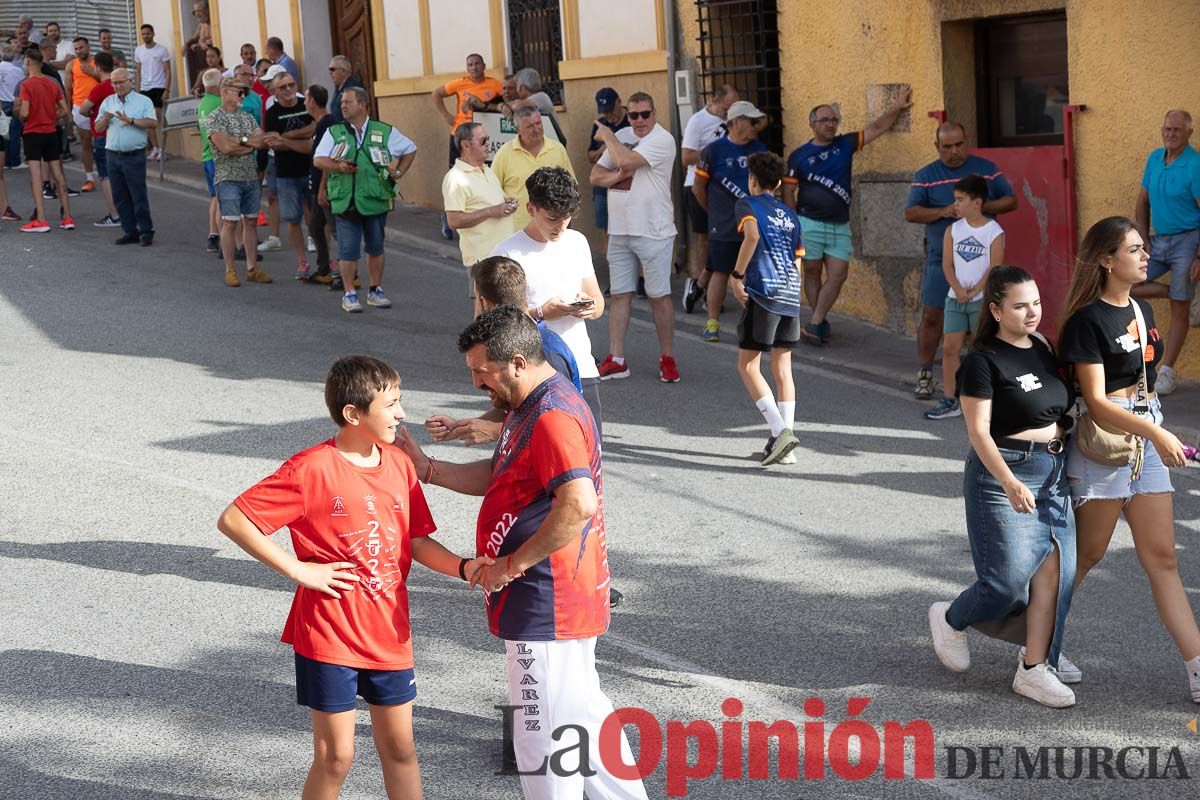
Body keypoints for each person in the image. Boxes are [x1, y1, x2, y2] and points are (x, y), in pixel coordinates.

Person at [397, 307, 649, 800]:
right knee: (586, 731)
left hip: (546, 604)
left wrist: (513, 565)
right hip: (556, 602)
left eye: (481, 371)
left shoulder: (551, 416)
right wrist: (428, 468)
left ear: (516, 362)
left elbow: (577, 503)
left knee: (541, 746)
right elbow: (501, 475)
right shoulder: (528, 404)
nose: (475, 383)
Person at [218, 355, 490, 800]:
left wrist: (463, 568)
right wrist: (297, 569)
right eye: (392, 404)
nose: (402, 414)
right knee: (336, 756)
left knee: (401, 750)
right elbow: (235, 519)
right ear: (353, 414)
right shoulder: (309, 469)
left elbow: (416, 540)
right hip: (329, 635)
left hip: (389, 634)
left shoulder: (400, 465)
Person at [1059, 215, 1200, 704]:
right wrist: (1158, 434)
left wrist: (1158, 431)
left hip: (1145, 432)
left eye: (1144, 248)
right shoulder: (1085, 321)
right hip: (1106, 442)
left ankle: (1198, 666)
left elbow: (1143, 386)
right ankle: (1038, 650)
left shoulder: (1141, 310)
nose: (1145, 256)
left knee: (1162, 558)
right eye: (1135, 249)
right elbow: (1096, 401)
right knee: (1084, 555)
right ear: (1106, 260)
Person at [928, 265, 1078, 708]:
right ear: (995, 310)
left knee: (1057, 575)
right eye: (1019, 305)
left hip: (1053, 473)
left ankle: (1034, 669)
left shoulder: (1043, 345)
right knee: (1007, 582)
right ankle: (952, 617)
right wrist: (1009, 480)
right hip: (1003, 474)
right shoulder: (981, 361)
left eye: (1035, 302)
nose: (1032, 312)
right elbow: (978, 432)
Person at [783, 87, 912, 345]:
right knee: (811, 271)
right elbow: (788, 191)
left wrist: (897, 108)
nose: (831, 125)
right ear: (812, 125)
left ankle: (816, 320)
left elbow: (876, 128)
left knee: (839, 274)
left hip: (840, 224)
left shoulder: (845, 144)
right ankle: (818, 321)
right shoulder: (799, 156)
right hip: (809, 222)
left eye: (834, 120)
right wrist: (794, 223)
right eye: (825, 120)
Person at [905, 121, 1017, 400]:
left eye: (959, 144)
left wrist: (978, 208)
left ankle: (984, 379)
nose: (955, 151)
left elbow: (1011, 200)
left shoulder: (987, 170)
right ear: (937, 147)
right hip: (940, 259)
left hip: (981, 262)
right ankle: (925, 373)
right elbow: (911, 213)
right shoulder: (926, 175)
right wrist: (945, 211)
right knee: (932, 315)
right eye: (947, 146)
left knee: (985, 320)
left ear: (966, 141)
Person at [491, 167, 606, 432]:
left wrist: (588, 307)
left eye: (567, 218)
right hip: (534, 373)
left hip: (581, 366)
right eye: (552, 218)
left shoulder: (577, 242)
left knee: (590, 452)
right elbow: (495, 325)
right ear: (531, 209)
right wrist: (542, 312)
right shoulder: (508, 253)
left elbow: (598, 301)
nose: (560, 226)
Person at [424, 255, 583, 446]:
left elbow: (559, 423)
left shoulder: (545, 351)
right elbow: (514, 407)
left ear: (485, 303)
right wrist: (462, 427)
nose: (476, 382)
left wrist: (495, 431)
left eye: (475, 299)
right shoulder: (520, 341)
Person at [590, 91, 680, 383]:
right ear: (627, 114)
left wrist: (607, 136)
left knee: (659, 297)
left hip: (653, 231)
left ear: (655, 114)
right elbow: (595, 175)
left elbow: (625, 160)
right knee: (619, 295)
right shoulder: (622, 135)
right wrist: (616, 175)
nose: (639, 121)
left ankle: (667, 357)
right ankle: (617, 358)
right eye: (634, 115)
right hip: (620, 230)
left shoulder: (662, 139)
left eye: (645, 114)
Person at [727, 152, 805, 466]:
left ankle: (779, 430)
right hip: (790, 293)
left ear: (753, 180)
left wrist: (737, 276)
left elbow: (753, 235)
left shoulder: (747, 204)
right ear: (777, 182)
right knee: (783, 369)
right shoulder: (790, 214)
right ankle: (785, 442)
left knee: (747, 366)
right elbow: (799, 257)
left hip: (764, 290)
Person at [313, 86, 417, 313]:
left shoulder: (384, 131)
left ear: (362, 104)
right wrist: (338, 166)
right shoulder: (335, 132)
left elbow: (410, 148)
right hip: (345, 199)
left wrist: (398, 173)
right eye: (341, 103)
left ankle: (375, 290)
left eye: (347, 102)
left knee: (376, 248)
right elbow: (319, 160)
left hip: (375, 198)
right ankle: (349, 293)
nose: (342, 106)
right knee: (347, 249)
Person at [1131, 110, 1200, 397]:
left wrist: (1199, 256)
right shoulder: (1155, 158)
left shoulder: (1195, 165)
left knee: (1179, 308)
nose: (1171, 134)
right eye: (1167, 129)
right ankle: (1181, 291)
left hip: (1188, 240)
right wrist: (1141, 237)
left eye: (1177, 130)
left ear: (1189, 133)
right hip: (1158, 242)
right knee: (1125, 284)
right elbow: (1142, 201)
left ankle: (1167, 372)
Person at [925, 175, 1005, 420]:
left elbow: (995, 267)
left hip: (981, 300)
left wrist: (976, 289)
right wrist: (958, 289)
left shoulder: (994, 232)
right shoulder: (953, 229)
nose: (955, 205)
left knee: (981, 349)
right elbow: (947, 264)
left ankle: (986, 400)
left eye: (960, 200)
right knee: (950, 349)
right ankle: (951, 398)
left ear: (977, 202)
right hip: (955, 299)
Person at [692, 100, 768, 342]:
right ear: (735, 122)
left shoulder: (760, 149)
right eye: (750, 120)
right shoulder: (713, 151)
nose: (756, 125)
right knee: (721, 272)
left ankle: (751, 323)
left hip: (753, 224)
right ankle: (712, 323)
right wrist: (714, 212)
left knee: (751, 272)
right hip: (723, 225)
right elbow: (698, 188)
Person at [207, 76, 272, 286]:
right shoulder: (214, 118)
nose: (243, 96)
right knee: (230, 222)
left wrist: (240, 142)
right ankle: (230, 269)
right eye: (239, 92)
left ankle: (252, 268)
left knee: (251, 222)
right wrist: (247, 142)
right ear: (225, 92)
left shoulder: (247, 118)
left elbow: (261, 141)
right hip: (228, 178)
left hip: (250, 176)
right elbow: (225, 148)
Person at [680, 84, 738, 313]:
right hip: (698, 185)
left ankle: (703, 285)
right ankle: (704, 290)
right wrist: (717, 153)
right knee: (706, 238)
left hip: (724, 188)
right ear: (715, 101)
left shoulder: (735, 121)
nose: (729, 113)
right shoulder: (698, 121)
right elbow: (686, 156)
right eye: (727, 107)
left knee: (724, 237)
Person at [442, 122, 517, 273]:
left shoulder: (487, 170)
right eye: (483, 141)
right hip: (483, 260)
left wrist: (507, 203)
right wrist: (491, 211)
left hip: (504, 255)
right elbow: (453, 221)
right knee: (484, 298)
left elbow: (493, 204)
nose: (488, 144)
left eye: (488, 139)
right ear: (466, 145)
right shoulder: (455, 178)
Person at [263, 70, 316, 280]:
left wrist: (287, 137)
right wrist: (301, 142)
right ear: (275, 91)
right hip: (285, 175)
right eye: (283, 87)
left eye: (291, 85)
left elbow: (315, 128)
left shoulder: (305, 105)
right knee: (293, 220)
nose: (288, 90)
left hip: (311, 170)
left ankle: (324, 259)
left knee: (317, 218)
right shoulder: (272, 113)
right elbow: (273, 144)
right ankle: (302, 262)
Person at [95, 68, 158, 245]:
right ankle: (130, 230)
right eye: (114, 83)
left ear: (130, 81)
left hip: (134, 155)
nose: (118, 86)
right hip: (113, 154)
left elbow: (153, 123)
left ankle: (146, 230)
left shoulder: (143, 101)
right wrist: (105, 119)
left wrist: (130, 120)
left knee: (138, 194)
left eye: (121, 82)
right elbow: (98, 128)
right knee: (119, 195)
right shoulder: (108, 102)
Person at [17, 47, 74, 233]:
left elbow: (24, 112)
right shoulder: (51, 84)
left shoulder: (26, 85)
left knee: (36, 176)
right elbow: (65, 110)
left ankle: (41, 219)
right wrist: (51, 117)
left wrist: (22, 117)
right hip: (51, 132)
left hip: (33, 133)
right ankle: (67, 217)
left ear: (27, 63)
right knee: (58, 175)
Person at [491, 105, 574, 231]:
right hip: (516, 232)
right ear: (518, 129)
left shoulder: (558, 149)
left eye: (538, 123)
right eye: (530, 126)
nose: (536, 129)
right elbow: (492, 191)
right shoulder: (504, 154)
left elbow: (571, 188)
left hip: (552, 231)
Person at [432, 53, 503, 168]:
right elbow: (436, 94)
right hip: (460, 133)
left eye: (477, 64)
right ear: (467, 68)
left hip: (483, 133)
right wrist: (446, 115)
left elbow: (506, 102)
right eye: (470, 65)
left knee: (483, 168)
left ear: (484, 66)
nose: (474, 67)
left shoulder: (494, 84)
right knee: (457, 169)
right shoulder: (460, 83)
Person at [77, 51, 121, 228]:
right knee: (121, 176)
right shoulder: (120, 86)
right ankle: (125, 212)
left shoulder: (100, 88)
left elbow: (83, 109)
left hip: (103, 136)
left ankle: (115, 214)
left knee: (105, 177)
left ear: (98, 67)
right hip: (120, 135)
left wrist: (90, 111)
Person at [586, 87, 629, 261]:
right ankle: (614, 275)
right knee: (608, 232)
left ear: (619, 102)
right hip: (604, 188)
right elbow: (590, 156)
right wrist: (602, 150)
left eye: (611, 110)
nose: (609, 115)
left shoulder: (633, 121)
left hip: (627, 186)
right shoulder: (600, 125)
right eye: (605, 112)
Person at [305, 84, 335, 285]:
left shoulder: (327, 124)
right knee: (316, 227)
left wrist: (323, 188)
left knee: (337, 230)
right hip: (317, 188)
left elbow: (328, 157)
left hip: (326, 188)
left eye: (306, 98)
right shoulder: (319, 124)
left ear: (313, 102)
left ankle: (349, 274)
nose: (305, 102)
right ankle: (323, 269)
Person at [64, 37, 100, 191]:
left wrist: (91, 72)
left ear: (88, 47)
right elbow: (68, 89)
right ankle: (89, 178)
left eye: (81, 47)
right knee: (86, 143)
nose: (79, 51)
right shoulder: (71, 65)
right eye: (76, 48)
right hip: (80, 108)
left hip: (99, 107)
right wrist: (69, 112)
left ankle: (108, 175)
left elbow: (107, 80)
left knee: (103, 143)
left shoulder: (97, 62)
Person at [133, 24, 171, 161]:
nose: (145, 36)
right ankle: (155, 148)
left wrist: (166, 89)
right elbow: (138, 71)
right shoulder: (138, 51)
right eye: (143, 34)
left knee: (159, 117)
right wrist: (137, 91)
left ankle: (163, 149)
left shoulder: (162, 50)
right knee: (147, 120)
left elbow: (167, 71)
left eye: (148, 33)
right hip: (145, 88)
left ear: (153, 34)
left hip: (158, 86)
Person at [195, 67, 223, 251]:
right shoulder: (219, 103)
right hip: (217, 156)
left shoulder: (203, 103)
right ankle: (225, 242)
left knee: (215, 197)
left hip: (207, 155)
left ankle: (213, 235)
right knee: (222, 199)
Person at [512, 67, 565, 145]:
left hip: (552, 146)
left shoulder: (542, 97)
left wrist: (503, 106)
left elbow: (516, 106)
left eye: (516, 85)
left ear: (521, 87)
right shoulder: (539, 97)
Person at [1, 45, 26, 175]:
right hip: (14, 102)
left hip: (2, 103)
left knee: (4, 133)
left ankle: (5, 162)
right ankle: (15, 161)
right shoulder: (17, 70)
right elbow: (22, 88)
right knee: (15, 132)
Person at [327, 55, 362, 124]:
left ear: (343, 71)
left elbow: (356, 113)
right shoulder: (338, 88)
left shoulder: (353, 87)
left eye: (332, 69)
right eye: (329, 70)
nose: (330, 73)